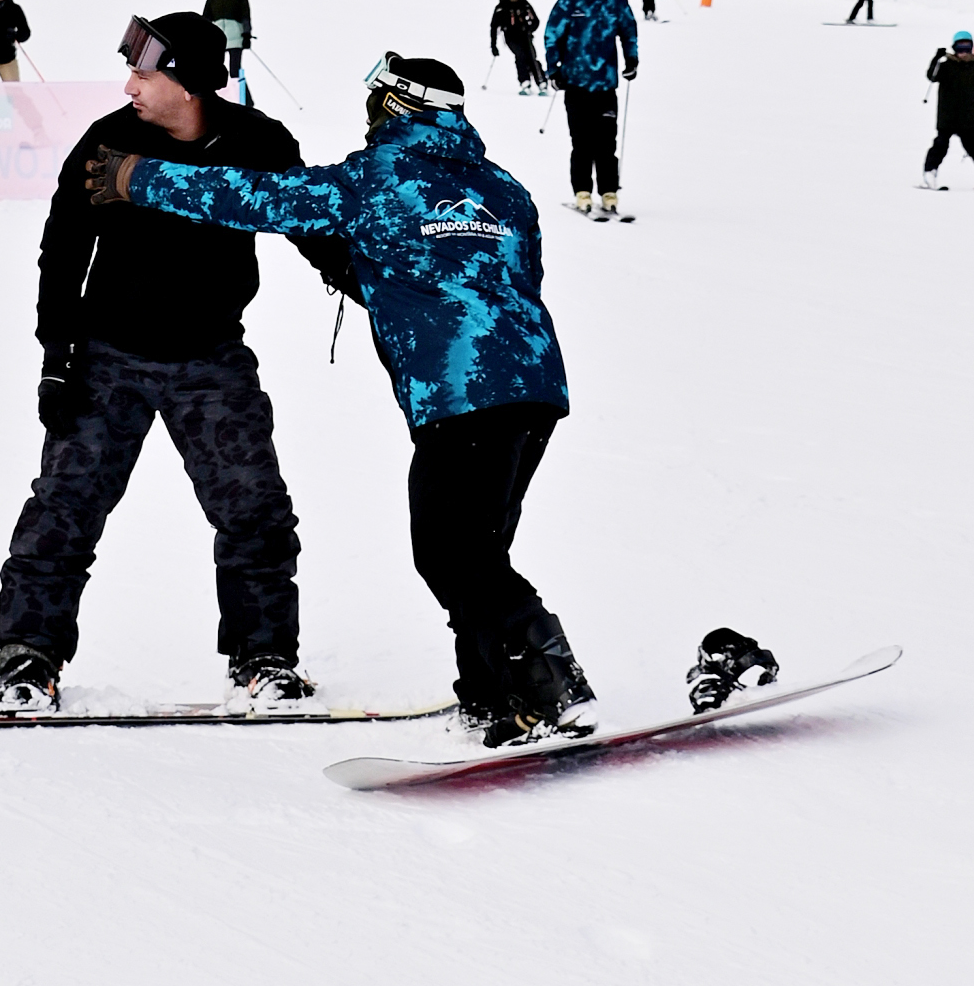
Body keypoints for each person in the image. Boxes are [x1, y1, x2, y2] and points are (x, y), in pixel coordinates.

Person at [86, 49, 595, 748]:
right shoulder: (503, 188)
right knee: (477, 549)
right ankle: (491, 692)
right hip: (535, 385)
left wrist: (136, 177)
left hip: (459, 390)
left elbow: (255, 197)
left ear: (394, 107)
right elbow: (505, 275)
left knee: (451, 555)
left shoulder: (374, 177)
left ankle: (553, 682)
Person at [0, 12, 351, 714]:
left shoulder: (257, 142)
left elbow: (309, 223)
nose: (129, 86)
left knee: (255, 512)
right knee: (63, 510)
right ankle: (27, 657)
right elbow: (62, 253)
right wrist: (55, 359)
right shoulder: (109, 142)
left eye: (144, 74)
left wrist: (371, 284)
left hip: (211, 357)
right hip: (107, 357)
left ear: (185, 84)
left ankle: (264, 657)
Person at [543, 0, 639, 217]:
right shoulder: (568, 4)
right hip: (575, 84)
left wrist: (632, 60)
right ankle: (582, 192)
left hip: (606, 85)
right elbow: (552, 37)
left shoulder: (616, 3)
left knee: (607, 143)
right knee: (582, 142)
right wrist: (554, 69)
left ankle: (609, 192)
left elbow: (629, 32)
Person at [922, 31, 974, 187]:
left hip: (968, 118)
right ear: (954, 48)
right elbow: (932, 76)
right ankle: (929, 173)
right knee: (940, 146)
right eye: (960, 48)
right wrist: (936, 59)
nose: (963, 53)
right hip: (947, 116)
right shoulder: (945, 67)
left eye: (967, 48)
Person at [490, 0, 547, 93]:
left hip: (525, 35)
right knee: (520, 56)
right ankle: (524, 81)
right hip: (511, 37)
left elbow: (535, 20)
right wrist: (494, 45)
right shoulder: (502, 7)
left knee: (531, 57)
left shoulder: (524, 4)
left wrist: (530, 29)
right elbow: (494, 27)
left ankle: (541, 82)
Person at [202, 0, 252, 85]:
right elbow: (206, 17)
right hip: (218, 39)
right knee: (215, 70)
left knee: (235, 72)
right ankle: (219, 97)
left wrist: (246, 34)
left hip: (236, 38)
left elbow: (245, 16)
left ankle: (244, 99)